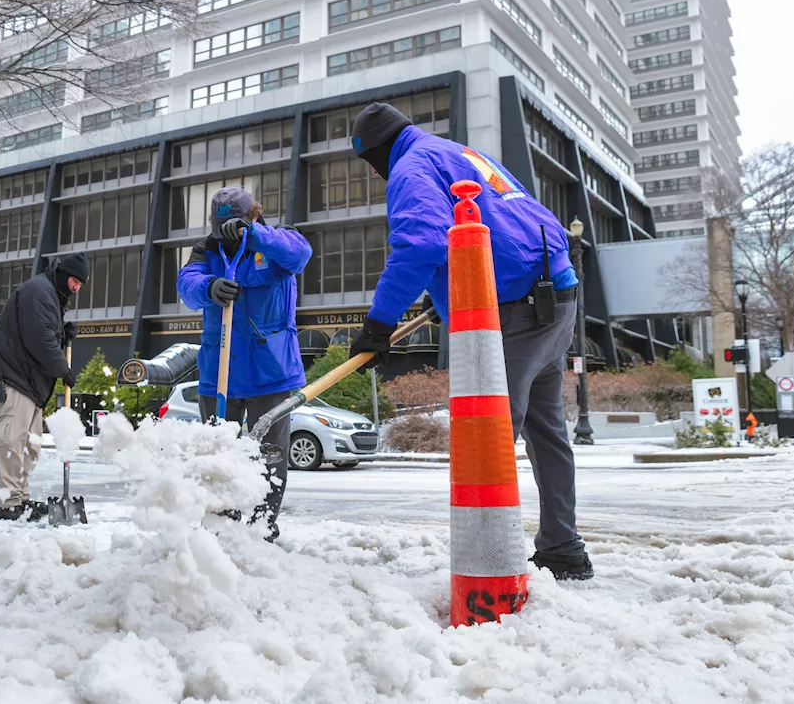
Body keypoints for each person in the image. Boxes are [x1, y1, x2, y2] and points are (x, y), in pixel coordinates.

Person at [347, 103, 592, 580]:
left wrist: (378, 323)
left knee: (490, 436)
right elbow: (487, 226)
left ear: (377, 153)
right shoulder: (456, 153)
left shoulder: (410, 166)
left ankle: (489, 566)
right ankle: (563, 547)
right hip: (557, 296)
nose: (377, 173)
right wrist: (446, 292)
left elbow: (420, 243)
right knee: (548, 432)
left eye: (371, 163)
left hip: (515, 309)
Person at [177, 187, 312, 541]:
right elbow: (186, 284)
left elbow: (300, 254)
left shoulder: (278, 242)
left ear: (253, 214)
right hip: (218, 370)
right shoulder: (207, 250)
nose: (223, 230)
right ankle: (223, 529)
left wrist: (254, 235)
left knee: (271, 456)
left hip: (271, 372)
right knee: (219, 455)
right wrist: (208, 286)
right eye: (218, 223)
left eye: (231, 222)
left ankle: (263, 527)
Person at [0, 252, 88, 521]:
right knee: (9, 439)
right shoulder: (38, 292)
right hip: (11, 374)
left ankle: (20, 497)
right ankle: (7, 501)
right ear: (64, 275)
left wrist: (63, 333)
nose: (76, 288)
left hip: (27, 380)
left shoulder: (50, 294)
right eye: (75, 281)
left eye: (80, 285)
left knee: (30, 444)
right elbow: (39, 339)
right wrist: (62, 368)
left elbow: (46, 332)